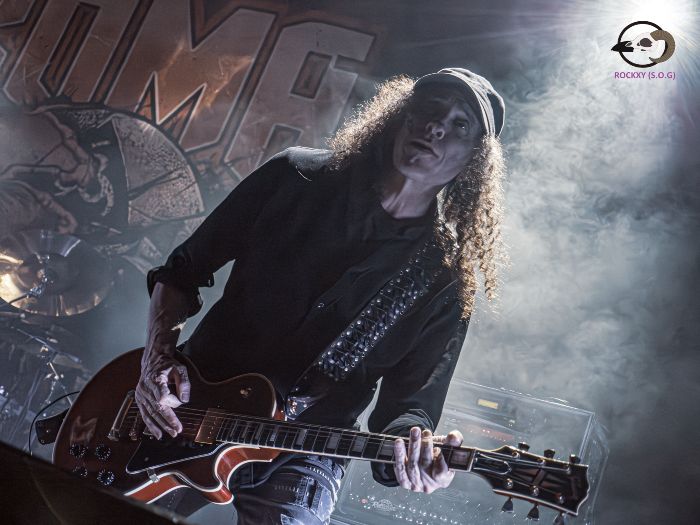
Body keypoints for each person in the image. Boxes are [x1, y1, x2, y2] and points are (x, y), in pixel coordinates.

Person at [135, 67, 507, 524]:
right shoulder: (295, 176)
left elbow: (408, 406)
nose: (436, 127)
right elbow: (183, 271)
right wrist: (156, 362)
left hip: (305, 447)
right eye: (429, 109)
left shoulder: (444, 280)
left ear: (474, 160)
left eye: (460, 124)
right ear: (402, 116)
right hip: (192, 406)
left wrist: (417, 451)